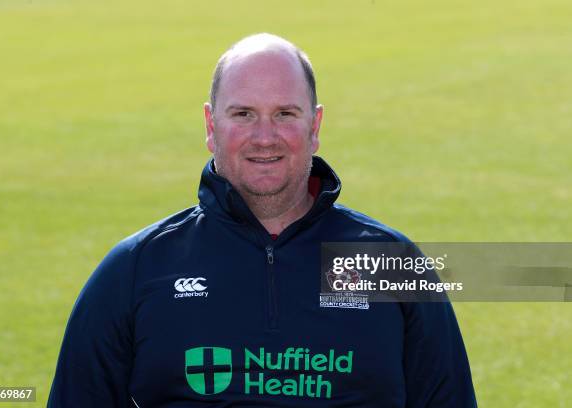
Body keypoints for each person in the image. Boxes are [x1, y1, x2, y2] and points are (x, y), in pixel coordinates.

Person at [48, 33, 477, 407]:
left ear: (315, 125)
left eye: (285, 114)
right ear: (211, 125)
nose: (265, 136)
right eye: (243, 114)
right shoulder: (137, 269)